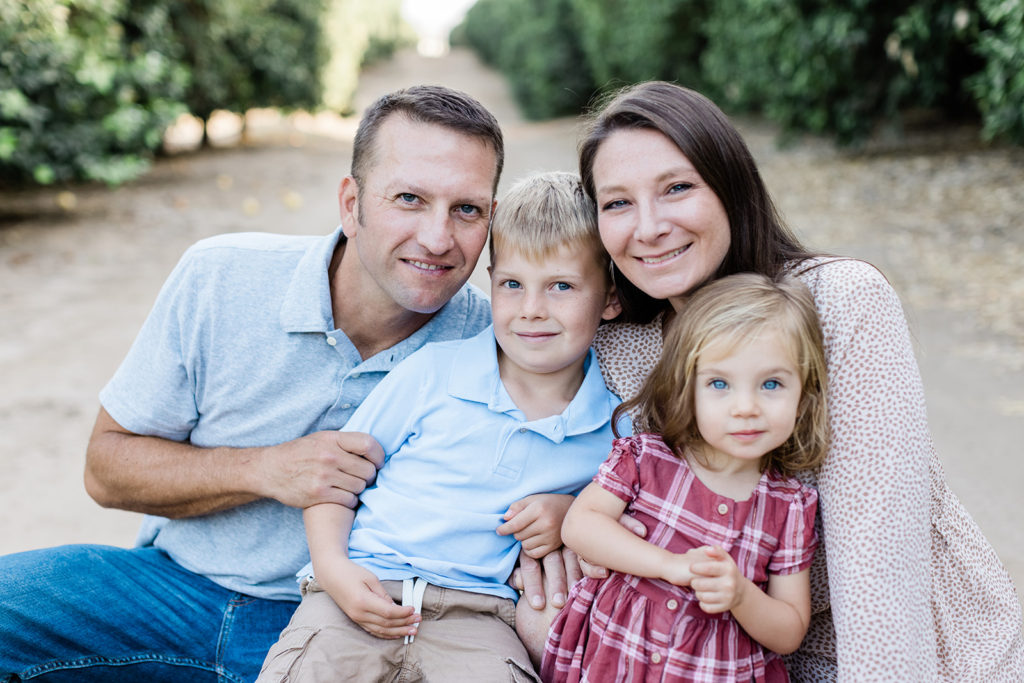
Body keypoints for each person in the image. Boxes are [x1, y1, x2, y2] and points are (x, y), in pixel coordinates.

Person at [0, 86, 567, 682]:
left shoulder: (504, 340)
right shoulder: (219, 277)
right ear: (351, 204)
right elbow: (106, 468)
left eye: (467, 210)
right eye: (409, 198)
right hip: (175, 591)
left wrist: (564, 512)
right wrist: (265, 469)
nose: (437, 237)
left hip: (360, 624)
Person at [575, 80, 1024, 680]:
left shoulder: (841, 303)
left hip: (913, 648)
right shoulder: (626, 345)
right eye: (617, 203)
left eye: (677, 188)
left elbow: (878, 564)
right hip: (735, 659)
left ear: (730, 187)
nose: (649, 227)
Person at [256, 171, 627, 681]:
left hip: (481, 617)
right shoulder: (432, 372)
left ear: (610, 298)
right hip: (359, 594)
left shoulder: (612, 429)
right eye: (513, 285)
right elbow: (334, 481)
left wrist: (571, 512)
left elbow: (624, 517)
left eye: (561, 286)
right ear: (492, 282)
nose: (532, 310)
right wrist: (332, 569)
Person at [542, 273, 828, 682]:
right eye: (719, 383)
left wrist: (741, 594)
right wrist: (668, 565)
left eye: (771, 384)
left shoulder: (788, 507)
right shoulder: (648, 458)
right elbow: (580, 525)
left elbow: (790, 631)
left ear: (804, 395)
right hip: (614, 663)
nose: (746, 407)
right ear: (685, 388)